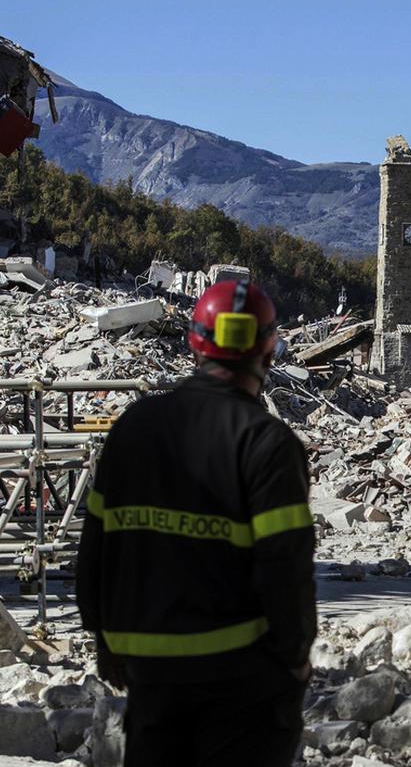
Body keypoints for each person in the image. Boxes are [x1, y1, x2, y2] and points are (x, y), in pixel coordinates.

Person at [76, 280, 316, 766]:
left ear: (194, 343)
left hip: (149, 676)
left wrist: (102, 636)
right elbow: (284, 567)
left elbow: (96, 545)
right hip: (241, 680)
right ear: (268, 352)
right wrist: (296, 656)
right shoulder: (267, 444)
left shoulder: (133, 427)